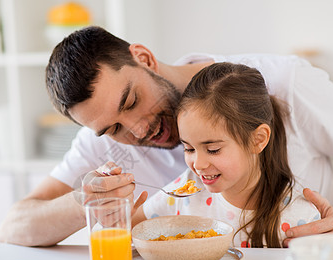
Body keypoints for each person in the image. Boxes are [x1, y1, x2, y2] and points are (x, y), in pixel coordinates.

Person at [0, 26, 333, 247]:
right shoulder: (101, 139)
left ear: (145, 59)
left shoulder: (286, 83)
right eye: (112, 129)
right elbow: (14, 227)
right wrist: (88, 201)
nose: (137, 129)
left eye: (132, 101)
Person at [135, 62, 320, 247]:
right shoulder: (187, 188)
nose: (198, 164)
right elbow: (131, 227)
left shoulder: (299, 216)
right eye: (189, 149)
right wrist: (115, 207)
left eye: (213, 149)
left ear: (258, 140)